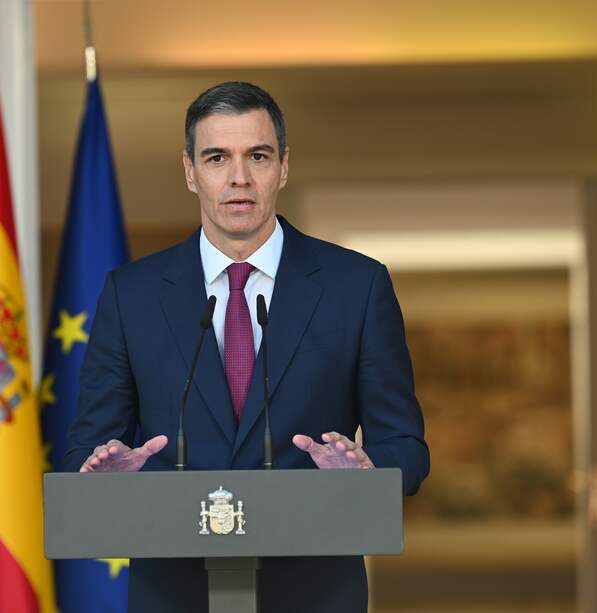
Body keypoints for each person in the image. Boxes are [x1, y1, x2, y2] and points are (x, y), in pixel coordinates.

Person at [63, 81, 429, 612]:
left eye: (256, 155)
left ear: (283, 166)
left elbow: (407, 448)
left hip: (315, 592)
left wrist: (369, 471)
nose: (239, 177)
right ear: (190, 171)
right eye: (217, 157)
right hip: (174, 594)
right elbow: (88, 447)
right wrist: (106, 473)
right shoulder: (132, 295)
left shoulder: (358, 286)